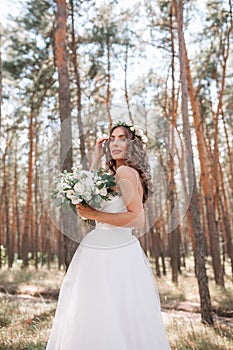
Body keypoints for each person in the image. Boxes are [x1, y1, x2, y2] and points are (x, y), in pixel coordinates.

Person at [46, 122, 171, 350]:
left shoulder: (125, 172)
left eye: (122, 138)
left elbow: (137, 218)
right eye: (112, 138)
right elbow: (94, 190)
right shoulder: (116, 173)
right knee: (106, 312)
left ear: (132, 144)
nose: (115, 142)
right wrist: (96, 157)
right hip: (105, 247)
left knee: (99, 311)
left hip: (113, 250)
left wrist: (95, 214)